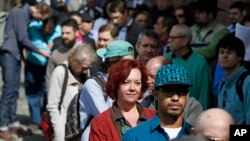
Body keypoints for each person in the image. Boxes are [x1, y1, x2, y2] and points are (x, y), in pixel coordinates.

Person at [0, 2, 51, 140]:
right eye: (40, 18)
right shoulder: (21, 13)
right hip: (8, 54)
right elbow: (22, 37)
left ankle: (13, 122)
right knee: (8, 90)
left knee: (15, 90)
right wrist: (41, 51)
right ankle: (3, 126)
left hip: (14, 55)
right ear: (39, 11)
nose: (39, 21)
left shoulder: (25, 14)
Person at [79, 40, 135, 141]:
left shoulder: (131, 82)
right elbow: (106, 116)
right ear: (113, 62)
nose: (132, 67)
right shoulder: (92, 84)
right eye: (128, 63)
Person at [89, 59, 156, 141]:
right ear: (115, 85)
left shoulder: (154, 116)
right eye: (126, 82)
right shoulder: (100, 123)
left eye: (137, 83)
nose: (132, 88)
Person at [123, 64, 193, 141]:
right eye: (168, 91)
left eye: (181, 92)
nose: (175, 98)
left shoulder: (196, 135)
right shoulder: (134, 137)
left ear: (187, 95)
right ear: (156, 94)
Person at [47, 44, 98, 141]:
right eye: (83, 68)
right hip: (63, 126)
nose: (85, 71)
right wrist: (59, 134)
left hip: (80, 127)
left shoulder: (85, 72)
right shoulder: (60, 72)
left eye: (87, 68)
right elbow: (53, 106)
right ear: (74, 60)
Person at [141, 56, 203, 126]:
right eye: (146, 76)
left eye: (153, 77)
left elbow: (189, 134)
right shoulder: (144, 103)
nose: (147, 81)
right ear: (155, 95)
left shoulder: (191, 106)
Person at [166, 24, 211, 110]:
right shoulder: (166, 58)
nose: (169, 40)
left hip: (192, 113)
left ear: (184, 40)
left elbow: (204, 93)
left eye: (173, 38)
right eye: (169, 37)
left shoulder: (200, 61)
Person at [216, 33, 250, 124]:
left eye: (230, 52)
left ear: (240, 57)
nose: (224, 56)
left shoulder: (247, 81)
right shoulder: (223, 82)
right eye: (221, 52)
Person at [46, 18, 82, 91]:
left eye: (68, 33)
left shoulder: (84, 51)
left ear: (77, 33)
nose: (64, 36)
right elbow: (49, 77)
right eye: (62, 33)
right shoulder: (56, 53)